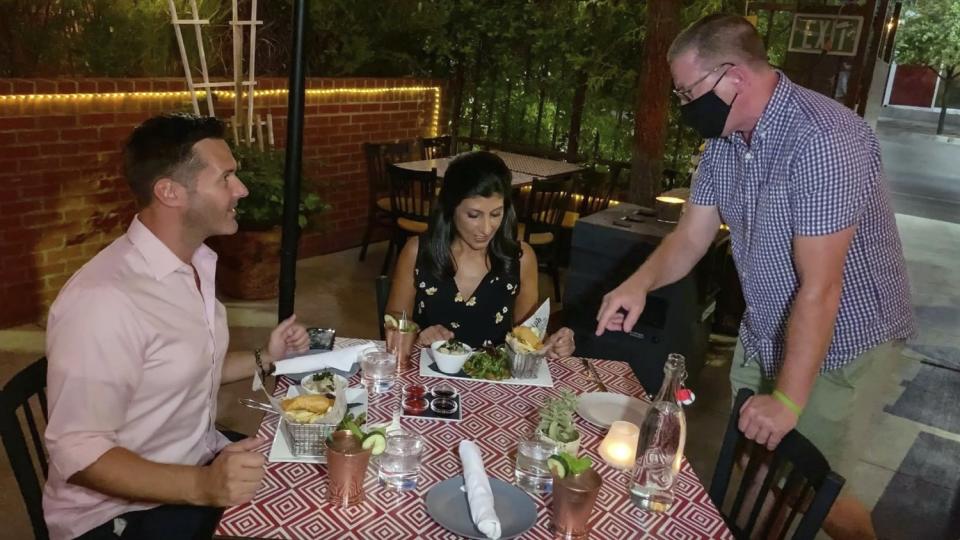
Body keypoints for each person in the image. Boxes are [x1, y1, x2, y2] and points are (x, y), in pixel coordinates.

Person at [595, 14, 914, 540]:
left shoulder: (825, 140)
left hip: (843, 338)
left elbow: (821, 287)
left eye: (687, 91)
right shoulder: (725, 141)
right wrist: (639, 284)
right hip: (768, 325)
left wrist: (788, 400)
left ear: (733, 77)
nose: (683, 106)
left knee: (810, 492)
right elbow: (691, 238)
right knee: (754, 465)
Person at [43, 113, 311, 540]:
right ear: (170, 192)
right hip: (120, 515)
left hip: (194, 456)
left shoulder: (194, 265)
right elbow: (77, 453)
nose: (241, 190)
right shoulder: (105, 300)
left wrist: (268, 358)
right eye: (226, 178)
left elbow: (183, 373)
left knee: (309, 470)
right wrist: (203, 487)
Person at [386, 151, 575, 357]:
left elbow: (529, 333)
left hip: (494, 379)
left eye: (496, 214)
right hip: (428, 373)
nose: (486, 228)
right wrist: (418, 333)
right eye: (474, 215)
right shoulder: (418, 252)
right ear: (451, 208)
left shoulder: (520, 258)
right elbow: (394, 315)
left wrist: (552, 344)